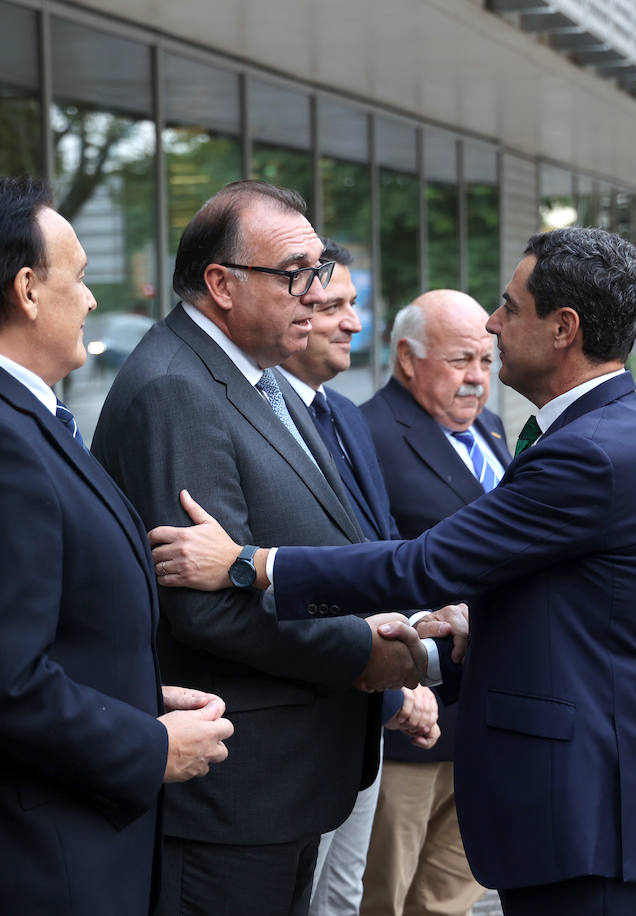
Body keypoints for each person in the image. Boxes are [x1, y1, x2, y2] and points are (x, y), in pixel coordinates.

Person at [152, 227, 636, 916]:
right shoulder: (596, 435)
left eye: (508, 307)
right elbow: (562, 612)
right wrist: (448, 646)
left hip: (589, 805)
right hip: (580, 801)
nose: (493, 326)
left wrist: (248, 565)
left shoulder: (592, 451)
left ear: (564, 329)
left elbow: (426, 562)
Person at [0, 176, 232, 916]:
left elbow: (26, 635)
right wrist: (149, 748)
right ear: (27, 289)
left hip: (48, 844)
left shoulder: (0, 414)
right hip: (18, 862)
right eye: (82, 277)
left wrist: (132, 699)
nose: (92, 300)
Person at [91, 179, 427, 916]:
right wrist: (358, 650)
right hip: (234, 794)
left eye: (320, 268)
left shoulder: (262, 377)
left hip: (284, 784)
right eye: (295, 274)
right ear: (221, 284)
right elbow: (202, 610)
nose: (315, 293)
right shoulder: (176, 389)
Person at [275, 240, 444, 916]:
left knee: (342, 899)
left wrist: (407, 642)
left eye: (354, 304)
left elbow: (379, 553)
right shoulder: (267, 417)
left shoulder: (342, 413)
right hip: (307, 716)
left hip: (364, 711)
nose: (354, 322)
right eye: (334, 305)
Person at [358, 289, 508, 916]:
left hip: (490, 717)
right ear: (407, 358)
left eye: (486, 362)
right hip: (416, 725)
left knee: (450, 898)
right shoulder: (365, 434)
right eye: (459, 361)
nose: (476, 378)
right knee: (382, 898)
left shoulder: (496, 430)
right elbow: (365, 566)